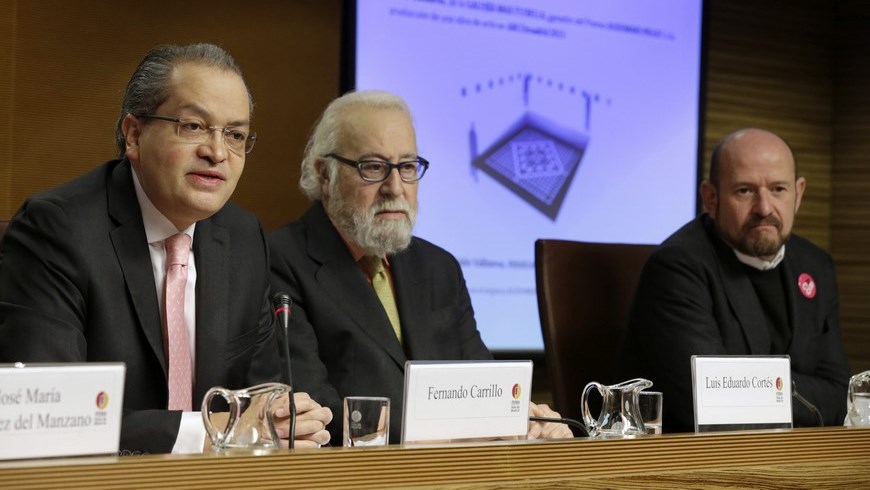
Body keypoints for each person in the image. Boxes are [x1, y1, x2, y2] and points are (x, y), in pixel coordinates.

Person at [0, 43, 331, 454]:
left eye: (235, 134)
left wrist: (285, 421)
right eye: (193, 126)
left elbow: (261, 402)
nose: (217, 152)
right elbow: (47, 413)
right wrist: (215, 433)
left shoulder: (243, 238)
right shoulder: (58, 230)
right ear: (134, 135)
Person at [268, 90, 573, 445]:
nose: (395, 187)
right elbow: (314, 410)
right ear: (325, 174)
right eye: (373, 167)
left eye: (408, 167)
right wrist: (462, 430)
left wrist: (524, 419)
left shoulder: (439, 268)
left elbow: (488, 389)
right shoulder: (280, 260)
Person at [617, 128, 851, 432]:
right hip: (696, 463)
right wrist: (791, 393)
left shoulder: (815, 265)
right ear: (710, 198)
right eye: (745, 191)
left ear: (799, 194)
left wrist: (751, 390)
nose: (764, 208)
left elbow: (843, 395)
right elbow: (707, 403)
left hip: (795, 459)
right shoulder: (677, 267)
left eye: (778, 189)